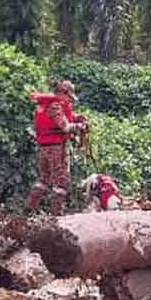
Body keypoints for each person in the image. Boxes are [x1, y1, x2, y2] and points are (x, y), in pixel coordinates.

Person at [25, 80, 88, 216]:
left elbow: (57, 120)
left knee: (43, 180)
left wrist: (76, 118)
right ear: (62, 93)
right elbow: (64, 127)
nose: (70, 101)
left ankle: (28, 211)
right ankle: (56, 216)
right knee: (61, 183)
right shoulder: (55, 105)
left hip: (43, 148)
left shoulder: (43, 105)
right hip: (56, 149)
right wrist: (79, 126)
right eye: (69, 97)